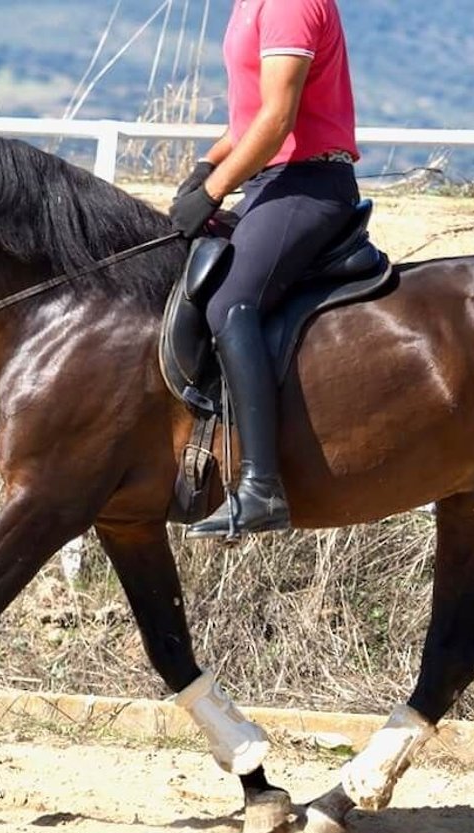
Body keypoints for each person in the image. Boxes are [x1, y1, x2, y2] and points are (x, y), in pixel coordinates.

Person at [170, 0, 360, 538]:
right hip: (271, 182)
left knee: (230, 302)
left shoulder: (289, 4)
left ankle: (261, 488)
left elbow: (279, 119)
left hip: (309, 184)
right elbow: (250, 115)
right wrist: (207, 163)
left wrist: (213, 190)